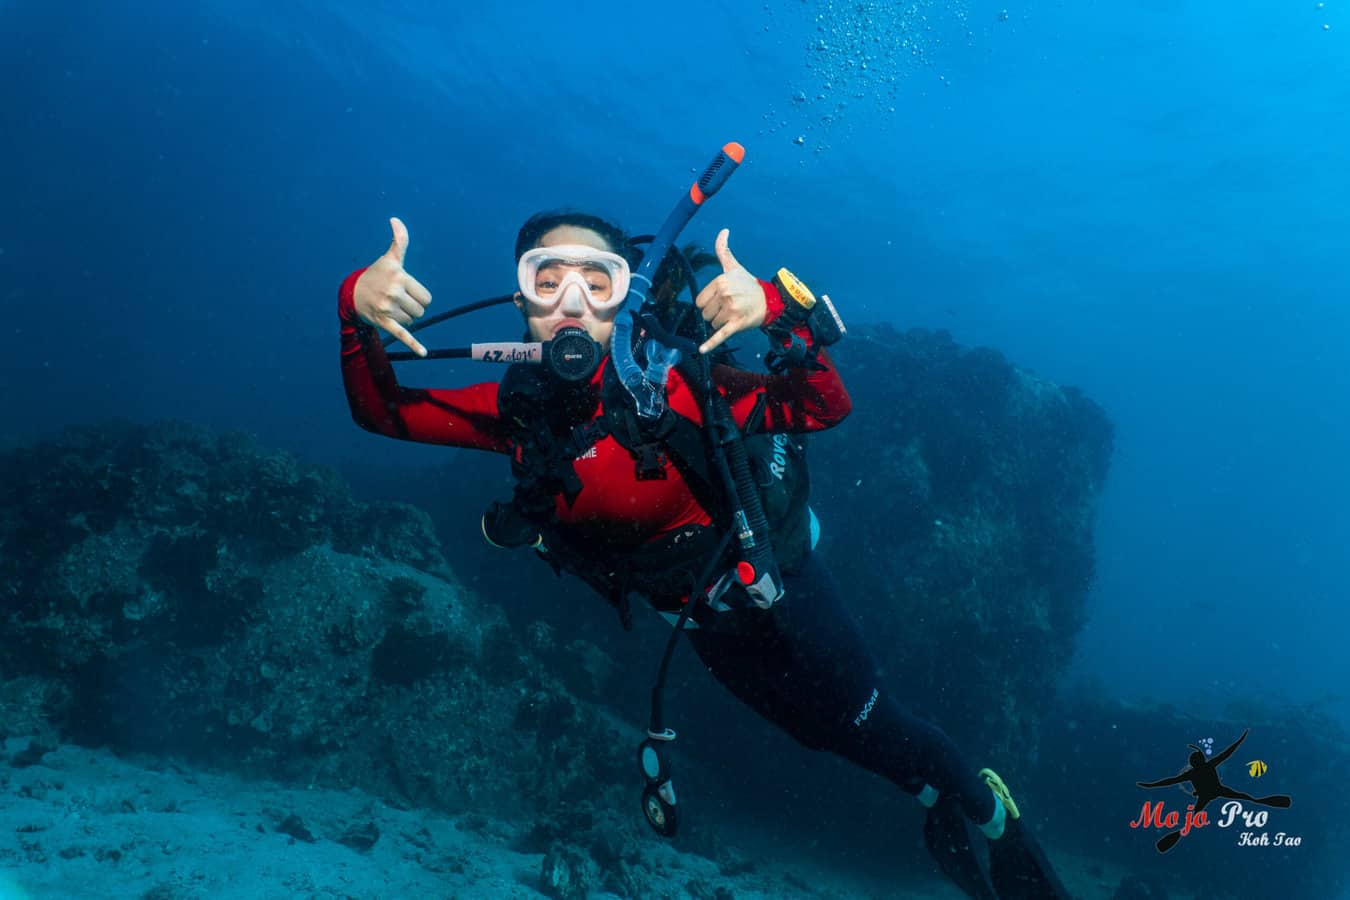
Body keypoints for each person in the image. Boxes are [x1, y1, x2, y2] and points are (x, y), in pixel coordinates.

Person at [338, 210, 1068, 899]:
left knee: (872, 721)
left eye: (597, 282)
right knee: (816, 736)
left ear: (625, 298)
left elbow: (823, 407)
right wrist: (354, 310)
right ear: (521, 299)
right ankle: (930, 792)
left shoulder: (678, 387)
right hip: (695, 621)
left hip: (776, 588)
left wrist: (775, 313)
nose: (570, 302)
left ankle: (988, 811)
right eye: (546, 278)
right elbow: (380, 411)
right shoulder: (516, 416)